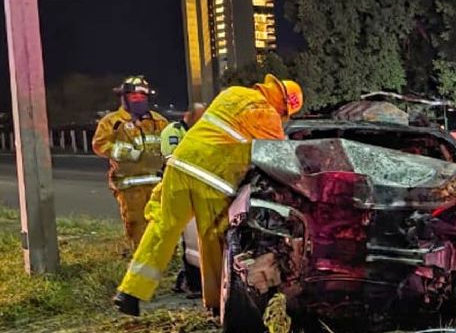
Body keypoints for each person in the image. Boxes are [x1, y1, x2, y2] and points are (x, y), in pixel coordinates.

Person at [113, 75, 304, 316]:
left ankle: (130, 293)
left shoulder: (232, 93)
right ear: (284, 106)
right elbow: (281, 160)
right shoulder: (268, 115)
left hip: (180, 165)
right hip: (212, 179)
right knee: (213, 240)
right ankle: (216, 304)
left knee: (163, 228)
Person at [93, 76, 169, 247]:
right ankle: (142, 258)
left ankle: (166, 257)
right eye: (134, 96)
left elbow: (168, 145)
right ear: (124, 98)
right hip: (129, 186)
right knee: (137, 226)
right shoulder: (112, 122)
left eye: (142, 97)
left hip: (158, 184)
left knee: (162, 223)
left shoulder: (159, 121)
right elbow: (100, 145)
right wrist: (131, 153)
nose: (139, 100)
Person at [160, 103, 206, 296]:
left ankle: (189, 279)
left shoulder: (203, 132)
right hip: (178, 188)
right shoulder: (174, 131)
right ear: (189, 115)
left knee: (193, 237)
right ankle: (191, 283)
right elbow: (173, 159)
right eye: (200, 116)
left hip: (197, 187)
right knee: (187, 236)